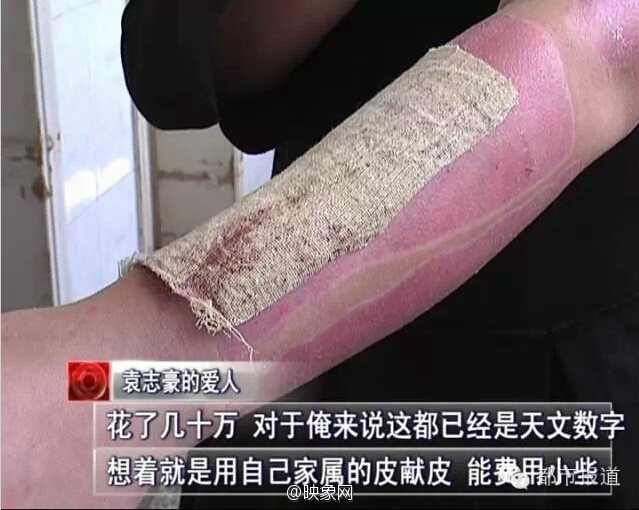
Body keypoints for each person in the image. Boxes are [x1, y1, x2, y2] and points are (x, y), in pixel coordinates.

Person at [2, 0, 638, 508]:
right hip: (308, 361)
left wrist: (128, 376)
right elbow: (171, 68)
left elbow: (601, 41)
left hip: (559, 379)